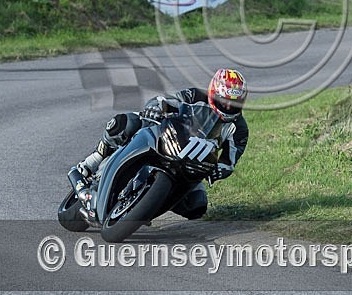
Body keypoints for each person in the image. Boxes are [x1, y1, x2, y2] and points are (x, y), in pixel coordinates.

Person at [68, 68, 250, 221]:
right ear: (213, 93)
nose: (227, 107)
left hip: (192, 164)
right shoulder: (195, 95)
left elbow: (230, 160)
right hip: (169, 138)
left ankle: (148, 207)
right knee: (124, 123)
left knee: (197, 206)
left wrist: (220, 169)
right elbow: (168, 100)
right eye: (224, 101)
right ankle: (92, 162)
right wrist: (156, 106)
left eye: (233, 103)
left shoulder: (239, 129)